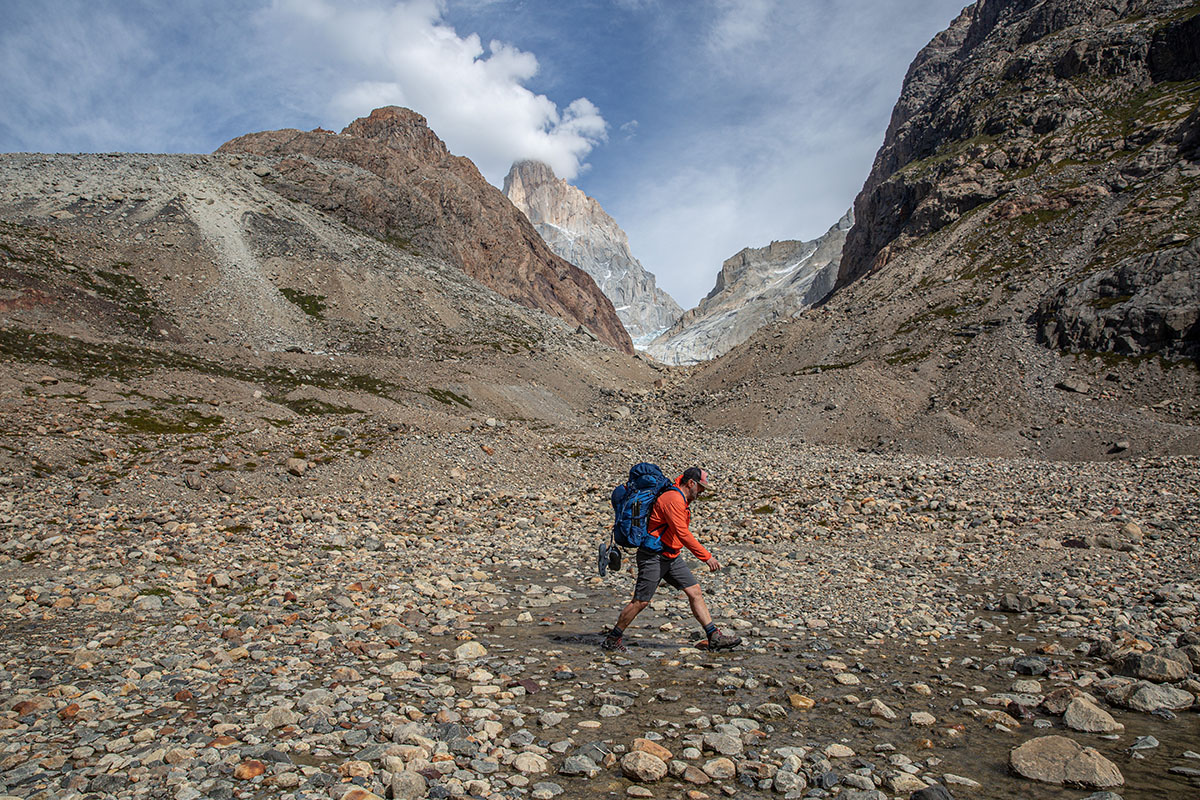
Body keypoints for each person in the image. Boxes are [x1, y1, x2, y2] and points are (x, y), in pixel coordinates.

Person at [602, 467, 742, 652]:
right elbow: (682, 533)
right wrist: (706, 557)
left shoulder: (680, 497)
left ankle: (713, 636)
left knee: (695, 591)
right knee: (641, 602)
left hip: (670, 555)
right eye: (701, 488)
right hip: (653, 557)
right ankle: (613, 638)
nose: (702, 492)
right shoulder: (673, 499)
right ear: (691, 483)